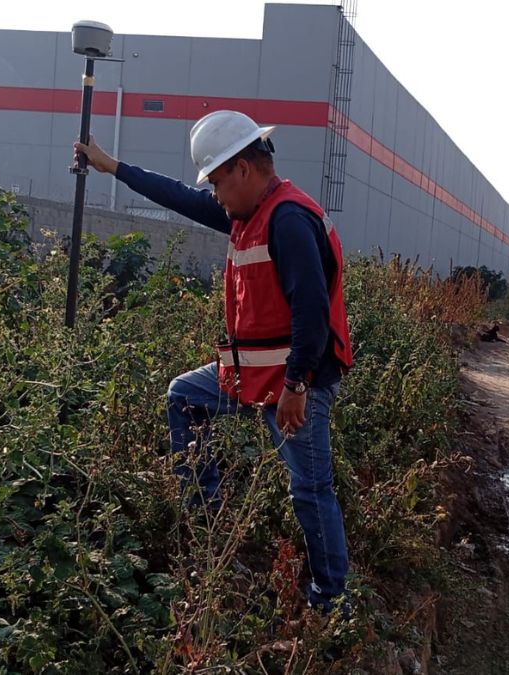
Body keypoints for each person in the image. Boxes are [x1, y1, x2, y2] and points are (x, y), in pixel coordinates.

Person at [74, 110, 354, 614]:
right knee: (184, 396)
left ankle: (330, 602)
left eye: (219, 182)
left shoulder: (287, 221)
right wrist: (112, 166)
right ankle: (210, 521)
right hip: (253, 373)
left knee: (311, 490)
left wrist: (297, 386)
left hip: (295, 380)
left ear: (244, 169)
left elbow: (312, 310)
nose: (215, 195)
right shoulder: (248, 212)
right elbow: (181, 197)